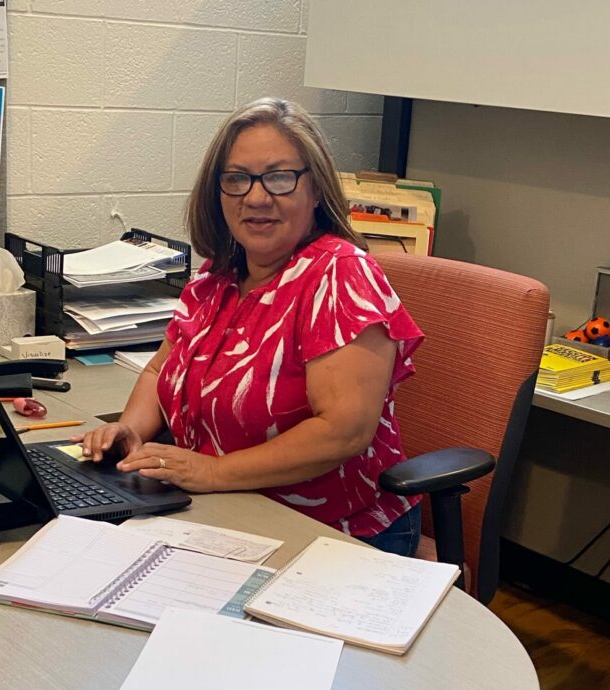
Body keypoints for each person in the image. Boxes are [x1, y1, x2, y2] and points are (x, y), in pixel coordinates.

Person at [73, 97, 426, 556]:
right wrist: (131, 431)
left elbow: (343, 431)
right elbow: (161, 370)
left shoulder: (339, 276)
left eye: (280, 177)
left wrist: (213, 472)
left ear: (316, 189)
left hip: (333, 530)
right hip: (225, 509)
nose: (256, 198)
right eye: (237, 179)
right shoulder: (215, 276)